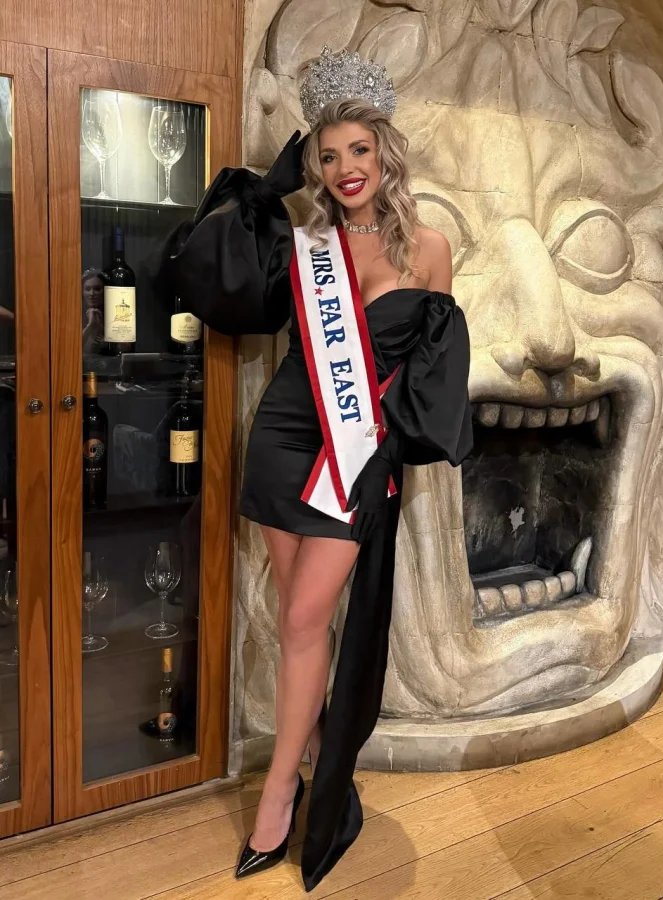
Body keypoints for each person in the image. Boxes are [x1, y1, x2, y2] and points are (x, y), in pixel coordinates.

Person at [161, 48, 472, 892]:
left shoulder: (430, 249)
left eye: (358, 151)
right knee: (301, 625)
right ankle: (311, 770)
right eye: (327, 156)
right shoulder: (302, 244)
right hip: (283, 440)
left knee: (304, 617)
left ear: (384, 153)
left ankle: (279, 793)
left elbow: (435, 374)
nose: (344, 169)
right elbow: (210, 281)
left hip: (356, 454)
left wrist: (388, 453)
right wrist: (258, 198)